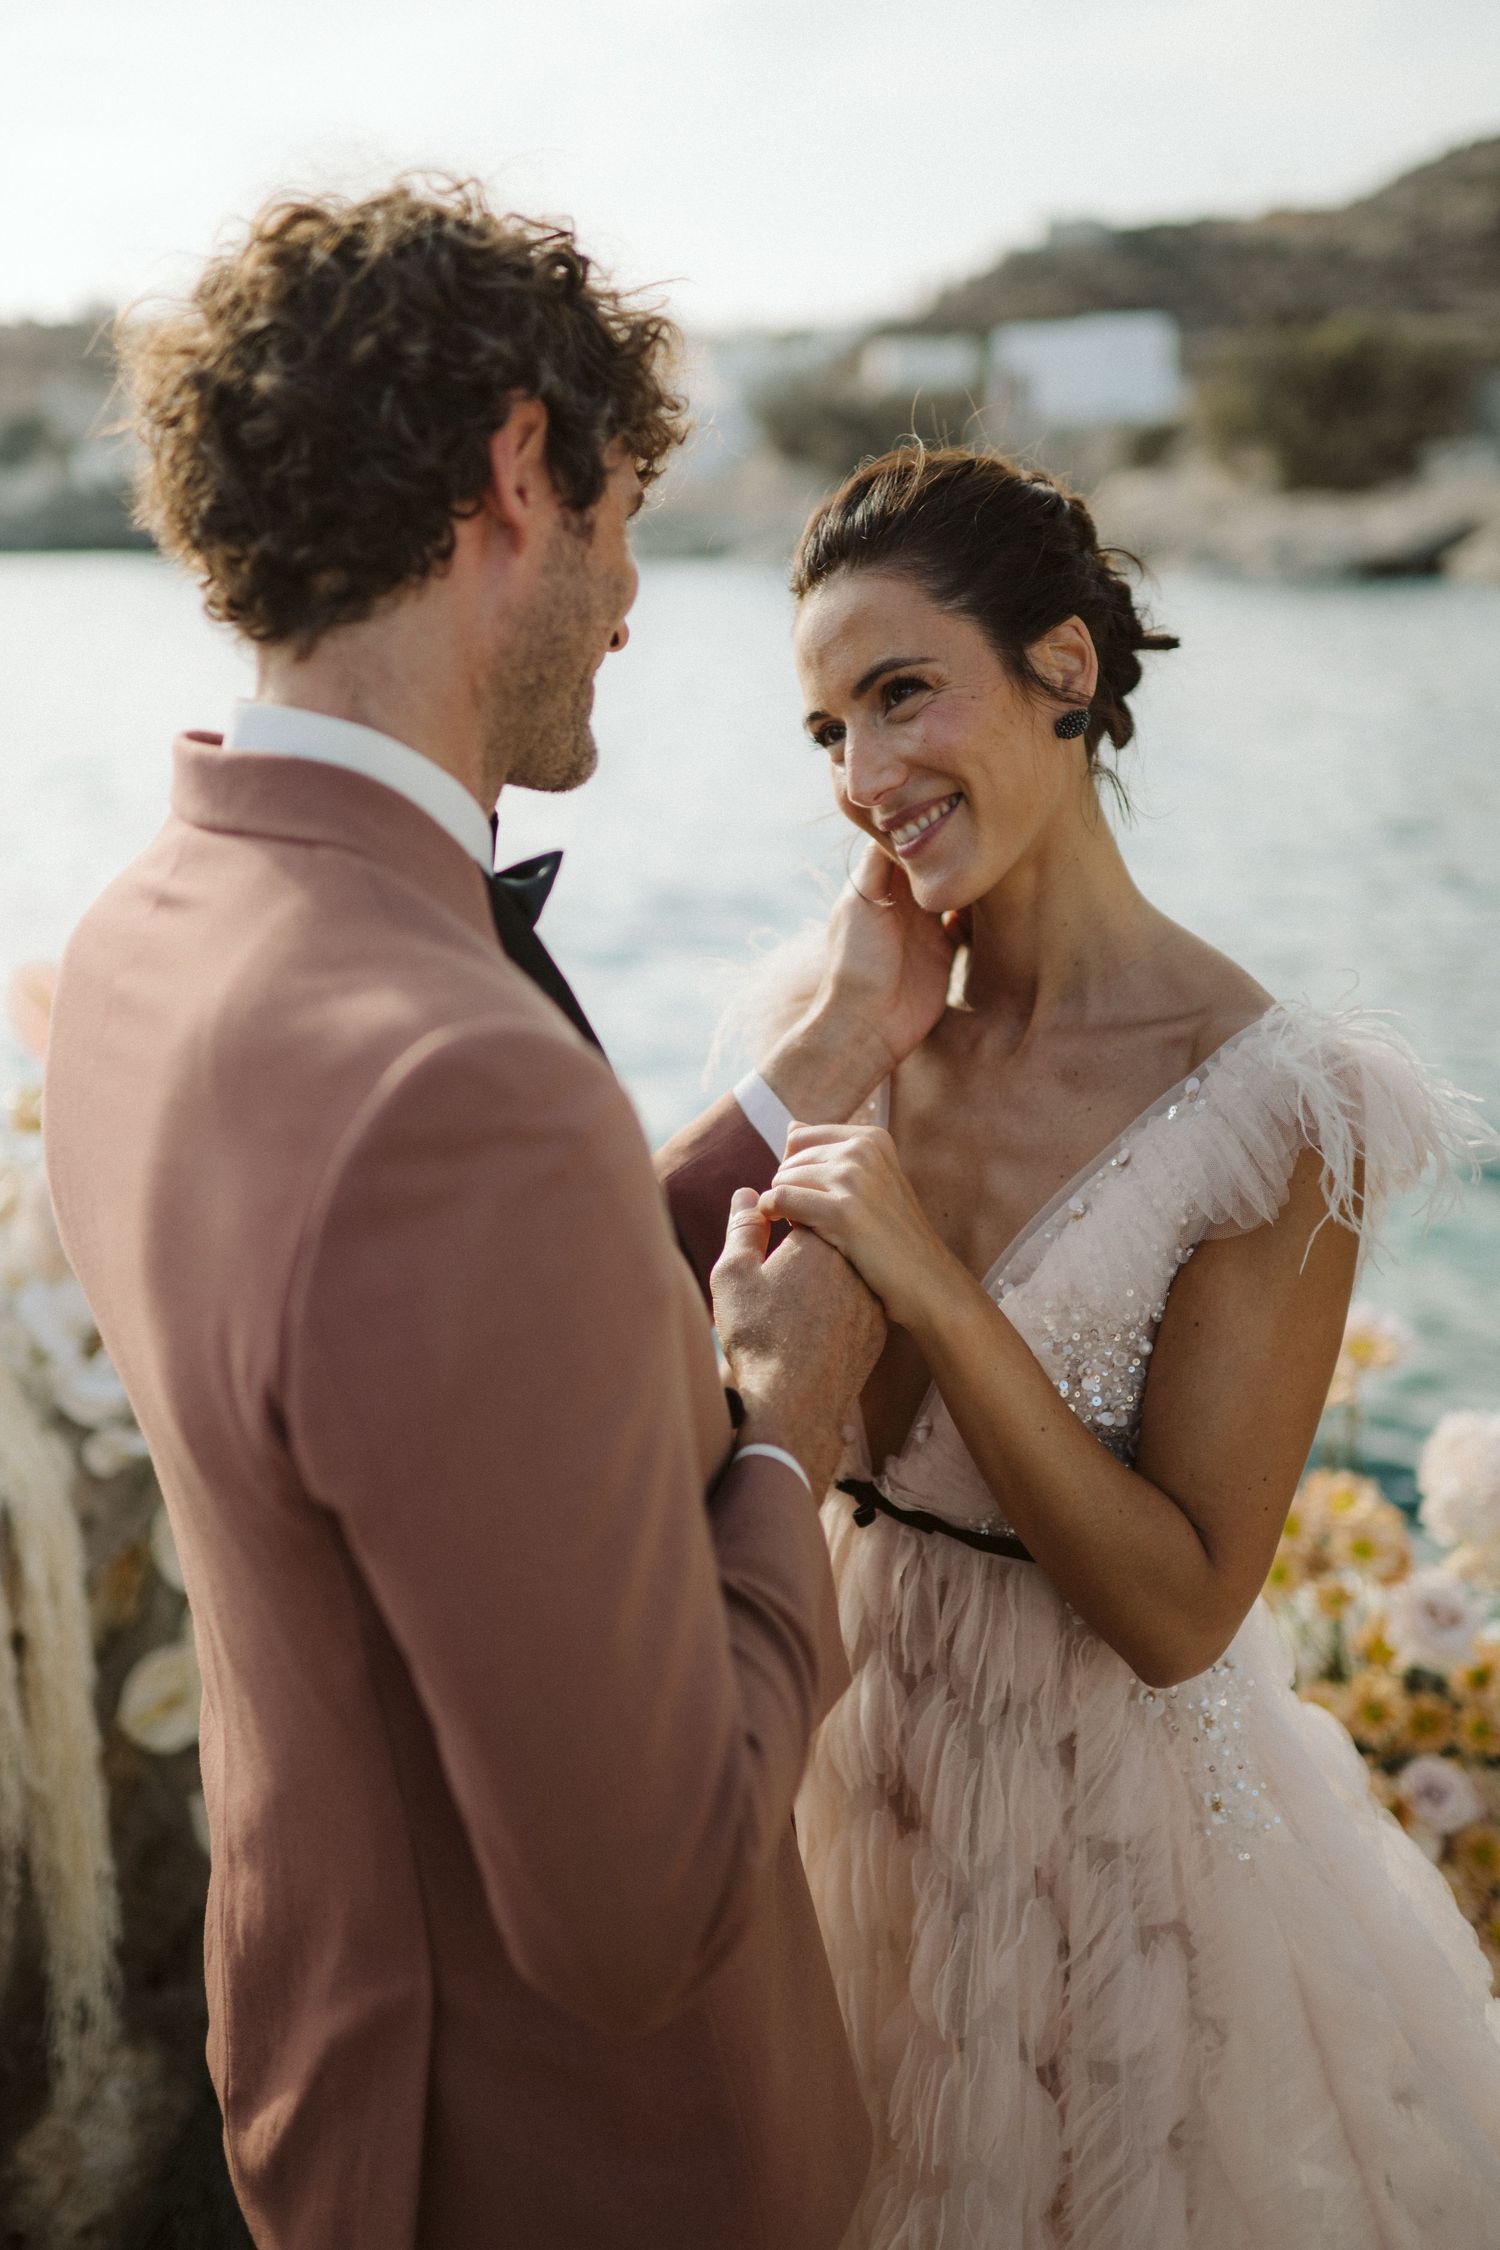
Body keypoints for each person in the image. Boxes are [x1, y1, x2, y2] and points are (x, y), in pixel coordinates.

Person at [42, 182, 883, 2250]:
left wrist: (814, 1072)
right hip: (571, 2169)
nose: (627, 601)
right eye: (618, 528)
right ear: (520, 476)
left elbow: (414, 1362)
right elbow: (645, 1909)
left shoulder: (142, 935)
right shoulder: (449, 1084)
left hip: (331, 2080)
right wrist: (790, 1427)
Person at [659, 446, 1500, 2249]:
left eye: (901, 696)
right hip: (812, 1777)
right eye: (826, 733)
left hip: (1093, 1847)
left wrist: (936, 1291)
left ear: (1065, 668)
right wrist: (838, 1052)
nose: (866, 779)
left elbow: (1187, 1608)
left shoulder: (1280, 1106)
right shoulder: (831, 1034)